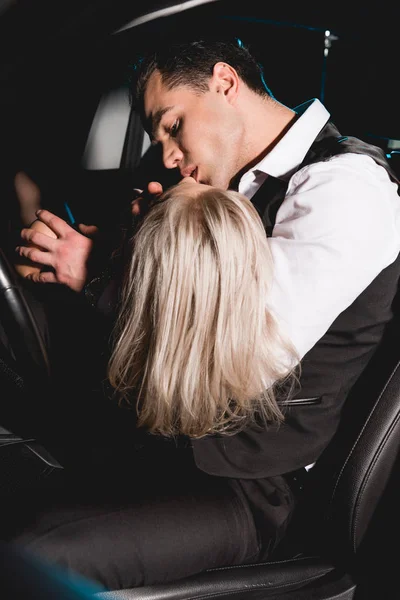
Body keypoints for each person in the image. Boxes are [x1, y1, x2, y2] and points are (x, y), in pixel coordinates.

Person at [10, 36, 400, 589]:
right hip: (174, 448)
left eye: (172, 125)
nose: (167, 154)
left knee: (38, 554)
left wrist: (105, 276)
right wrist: (137, 251)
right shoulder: (224, 187)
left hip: (255, 488)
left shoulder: (343, 190)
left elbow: (246, 357)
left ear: (224, 83)